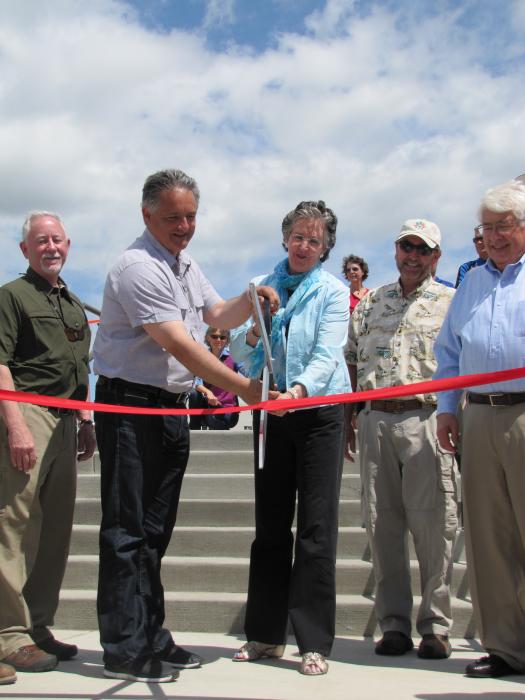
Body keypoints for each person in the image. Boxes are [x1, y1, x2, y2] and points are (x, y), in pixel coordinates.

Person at [92, 168, 279, 684]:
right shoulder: (137, 267)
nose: (184, 226)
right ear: (146, 213)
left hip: (170, 408)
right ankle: (124, 645)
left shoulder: (184, 263)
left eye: (191, 216)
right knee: (126, 531)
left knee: (155, 531)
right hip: (129, 409)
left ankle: (152, 633)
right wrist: (245, 390)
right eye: (173, 216)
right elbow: (179, 343)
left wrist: (255, 296)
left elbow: (218, 313)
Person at [229, 200, 350, 676]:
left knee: (317, 529)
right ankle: (264, 634)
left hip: (318, 411)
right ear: (285, 239)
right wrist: (257, 324)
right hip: (272, 414)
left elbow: (326, 354)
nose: (304, 245)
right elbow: (240, 351)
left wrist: (297, 391)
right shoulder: (263, 283)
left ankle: (314, 641)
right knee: (270, 526)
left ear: (326, 248)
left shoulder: (333, 291)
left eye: (314, 240)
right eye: (298, 236)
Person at [345, 219, 458, 660]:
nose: (413, 255)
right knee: (382, 525)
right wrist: (351, 416)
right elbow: (351, 359)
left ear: (435, 257)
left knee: (434, 526)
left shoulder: (452, 301)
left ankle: (435, 625)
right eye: (405, 246)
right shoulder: (371, 302)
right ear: (395, 251)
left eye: (422, 249)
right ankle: (393, 624)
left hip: (427, 418)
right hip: (375, 421)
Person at [435, 179, 525, 678]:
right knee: (489, 538)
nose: (493, 237)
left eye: (504, 227)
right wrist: (447, 408)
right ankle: (507, 647)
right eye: (486, 229)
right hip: (479, 416)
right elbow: (449, 353)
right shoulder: (470, 283)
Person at [0, 212, 95, 674]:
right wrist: (15, 426)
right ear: (25, 250)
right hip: (26, 414)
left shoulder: (74, 304)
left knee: (54, 530)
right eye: (41, 241)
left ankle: (36, 626)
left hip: (66, 422)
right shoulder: (11, 296)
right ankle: (7, 634)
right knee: (12, 526)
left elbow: (80, 368)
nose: (50, 247)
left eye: (57, 239)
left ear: (68, 244)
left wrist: (87, 417)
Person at [188, 327, 243, 430]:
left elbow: (247, 371)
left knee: (218, 425)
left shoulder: (234, 356)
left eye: (222, 337)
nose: (218, 340)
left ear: (227, 340)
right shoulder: (202, 357)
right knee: (194, 394)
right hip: (207, 403)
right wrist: (208, 393)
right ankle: (194, 429)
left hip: (227, 407)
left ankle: (209, 423)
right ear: (208, 338)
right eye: (214, 336)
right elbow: (195, 381)